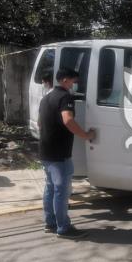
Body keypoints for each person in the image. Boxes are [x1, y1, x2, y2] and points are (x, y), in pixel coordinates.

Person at [38, 67, 95, 238]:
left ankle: (50, 223)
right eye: (73, 81)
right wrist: (86, 135)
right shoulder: (65, 97)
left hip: (45, 151)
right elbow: (68, 119)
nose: (74, 84)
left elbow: (40, 124)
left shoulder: (46, 98)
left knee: (50, 188)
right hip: (59, 153)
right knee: (61, 191)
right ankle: (63, 228)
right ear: (64, 80)